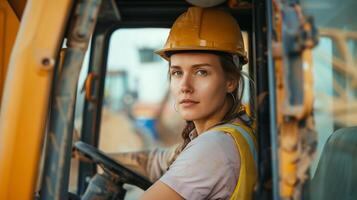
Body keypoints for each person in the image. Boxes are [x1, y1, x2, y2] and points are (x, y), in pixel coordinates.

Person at [113, 6, 257, 200]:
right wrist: (89, 156)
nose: (185, 86)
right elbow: (157, 161)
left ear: (230, 81)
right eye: (177, 73)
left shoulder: (213, 147)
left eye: (201, 72)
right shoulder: (236, 130)